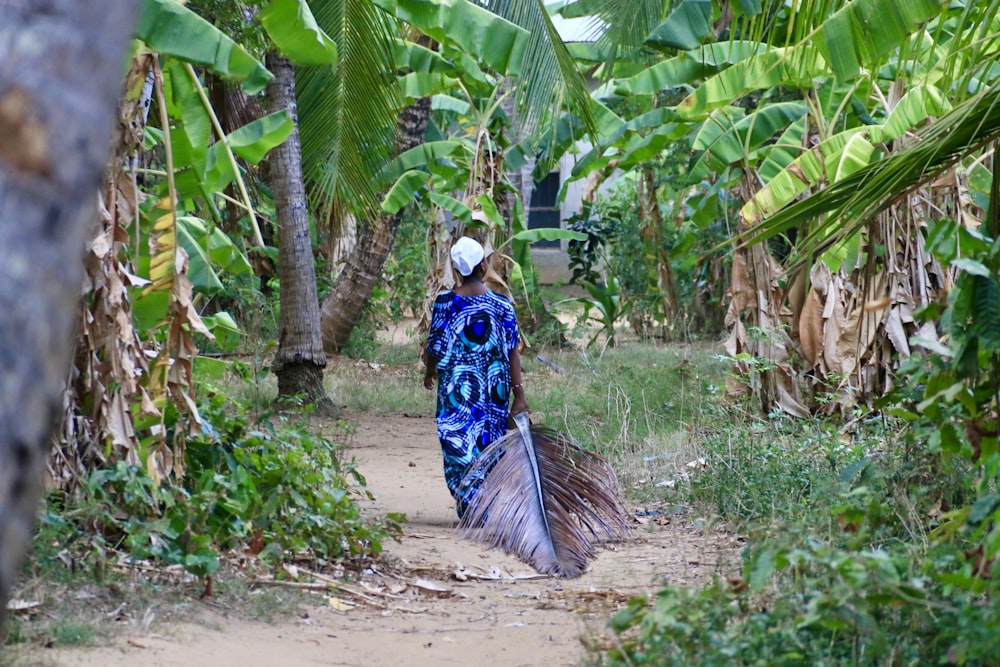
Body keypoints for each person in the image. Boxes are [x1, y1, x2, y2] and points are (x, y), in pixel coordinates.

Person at [423, 236, 529, 516]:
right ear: (483, 264)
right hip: (492, 392)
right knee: (489, 444)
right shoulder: (501, 305)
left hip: (454, 392)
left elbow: (434, 346)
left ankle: (471, 501)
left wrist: (429, 373)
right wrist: (519, 395)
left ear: (457, 270)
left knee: (456, 443)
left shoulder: (444, 303)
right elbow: (512, 352)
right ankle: (481, 502)